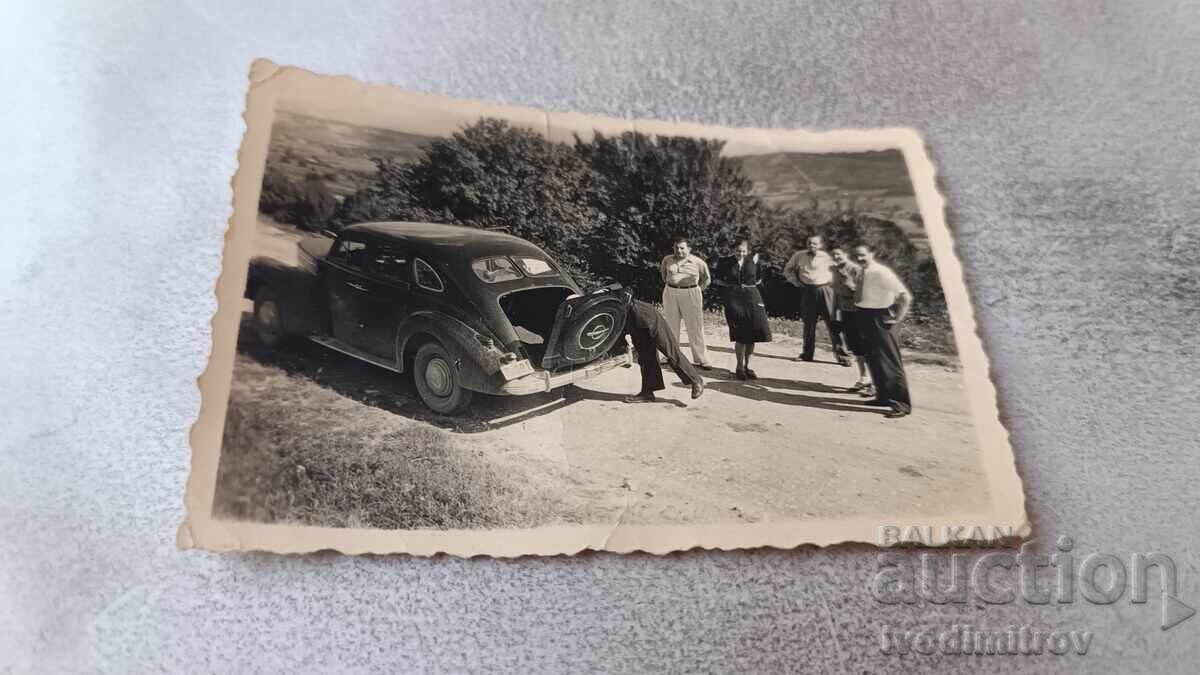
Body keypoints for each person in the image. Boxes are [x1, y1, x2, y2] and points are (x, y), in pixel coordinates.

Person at [851, 243, 913, 419]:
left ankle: (901, 404)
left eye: (863, 254)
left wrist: (898, 318)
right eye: (856, 255)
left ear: (872, 253)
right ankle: (883, 397)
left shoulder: (881, 272)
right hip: (864, 314)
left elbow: (904, 296)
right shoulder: (862, 271)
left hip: (880, 316)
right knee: (874, 358)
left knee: (889, 360)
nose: (859, 258)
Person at [619, 289, 705, 403]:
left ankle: (696, 380)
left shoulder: (630, 305)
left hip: (648, 318)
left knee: (670, 351)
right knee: (646, 358)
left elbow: (627, 292)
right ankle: (647, 393)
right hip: (634, 323)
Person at [784, 235, 849, 366]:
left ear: (820, 245)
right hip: (808, 291)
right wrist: (795, 282)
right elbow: (787, 270)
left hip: (825, 290)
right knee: (809, 324)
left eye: (814, 243)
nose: (811, 245)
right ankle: (807, 354)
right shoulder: (799, 256)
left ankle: (843, 356)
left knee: (833, 323)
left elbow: (842, 270)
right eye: (809, 243)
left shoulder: (827, 257)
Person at [713, 240, 772, 380]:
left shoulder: (754, 260)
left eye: (744, 251)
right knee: (740, 333)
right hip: (734, 298)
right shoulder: (724, 262)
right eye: (738, 251)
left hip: (752, 296)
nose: (741, 254)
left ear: (748, 251)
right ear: (733, 250)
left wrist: (747, 286)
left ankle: (748, 367)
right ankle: (739, 367)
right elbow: (717, 280)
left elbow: (759, 279)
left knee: (754, 332)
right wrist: (732, 287)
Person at [660, 237, 713, 369]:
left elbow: (707, 279)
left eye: (682, 248)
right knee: (670, 325)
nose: (679, 251)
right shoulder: (667, 260)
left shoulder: (698, 262)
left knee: (695, 326)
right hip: (670, 292)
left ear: (689, 249)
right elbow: (663, 274)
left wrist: (696, 290)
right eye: (676, 248)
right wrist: (672, 283)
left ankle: (701, 358)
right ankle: (670, 356)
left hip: (690, 293)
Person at [830, 247, 872, 396]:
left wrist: (852, 288)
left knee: (864, 346)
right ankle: (864, 378)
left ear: (846, 255)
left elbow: (866, 292)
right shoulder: (835, 271)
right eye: (833, 254)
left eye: (838, 254)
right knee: (855, 346)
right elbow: (836, 294)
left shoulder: (855, 269)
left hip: (859, 312)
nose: (836, 256)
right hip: (845, 312)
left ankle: (874, 382)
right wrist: (834, 313)